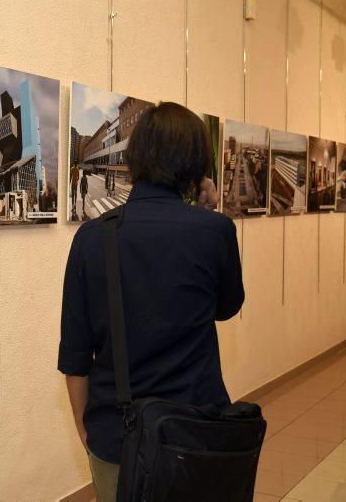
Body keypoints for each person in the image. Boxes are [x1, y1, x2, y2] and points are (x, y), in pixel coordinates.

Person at [58, 102, 244, 501]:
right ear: (197, 165)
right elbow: (226, 307)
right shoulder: (215, 232)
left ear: (135, 156)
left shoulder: (92, 240)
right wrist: (207, 208)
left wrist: (85, 427)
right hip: (199, 430)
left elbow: (75, 356)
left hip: (116, 434)